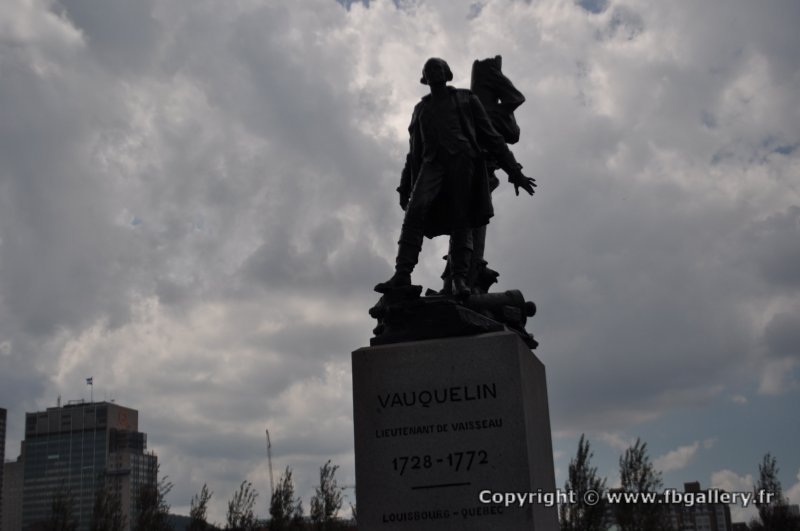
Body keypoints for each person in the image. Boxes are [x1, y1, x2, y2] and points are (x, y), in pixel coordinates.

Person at [375, 57, 535, 297]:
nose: (434, 72)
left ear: (447, 73)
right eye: (429, 70)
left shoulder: (466, 99)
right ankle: (402, 274)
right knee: (414, 212)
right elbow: (413, 152)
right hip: (432, 165)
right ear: (425, 78)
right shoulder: (421, 109)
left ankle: (459, 279)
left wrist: (516, 173)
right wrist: (404, 186)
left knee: (461, 220)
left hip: (463, 162)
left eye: (438, 68)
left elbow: (492, 137)